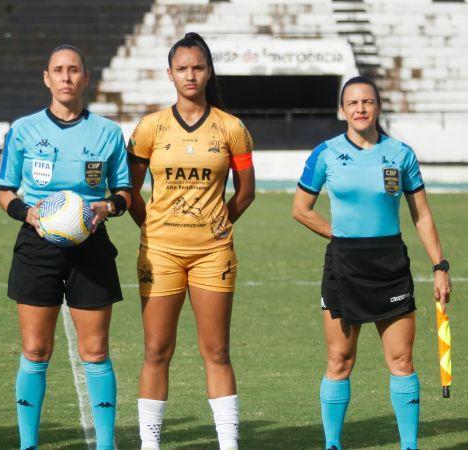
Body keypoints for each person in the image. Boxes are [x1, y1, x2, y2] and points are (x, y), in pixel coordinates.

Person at [292, 76, 452, 450]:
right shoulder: (326, 153)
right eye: (353, 103)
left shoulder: (401, 154)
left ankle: (409, 446)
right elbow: (301, 209)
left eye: (367, 102)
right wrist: (340, 234)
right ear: (342, 110)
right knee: (339, 359)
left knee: (401, 359)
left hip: (390, 264)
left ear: (378, 107)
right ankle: (333, 444)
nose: (360, 109)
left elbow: (422, 215)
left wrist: (439, 266)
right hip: (344, 264)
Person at [0, 44, 131, 450]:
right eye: (59, 70)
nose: (67, 77)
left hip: (91, 246)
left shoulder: (108, 133)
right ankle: (28, 443)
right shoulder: (22, 130)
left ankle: (106, 444)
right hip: (37, 246)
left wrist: (107, 207)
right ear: (47, 78)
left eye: (74, 70)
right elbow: (4, 192)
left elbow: (124, 193)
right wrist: (29, 214)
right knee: (35, 348)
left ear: (85, 78)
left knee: (95, 350)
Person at [126, 32, 256, 450]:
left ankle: (229, 444)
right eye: (182, 68)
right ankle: (150, 444)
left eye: (198, 67)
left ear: (209, 71)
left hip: (213, 253)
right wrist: (154, 228)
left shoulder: (232, 128)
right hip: (159, 252)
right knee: (156, 350)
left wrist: (219, 225)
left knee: (217, 351)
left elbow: (246, 192)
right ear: (169, 73)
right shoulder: (150, 127)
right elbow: (129, 194)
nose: (190, 75)